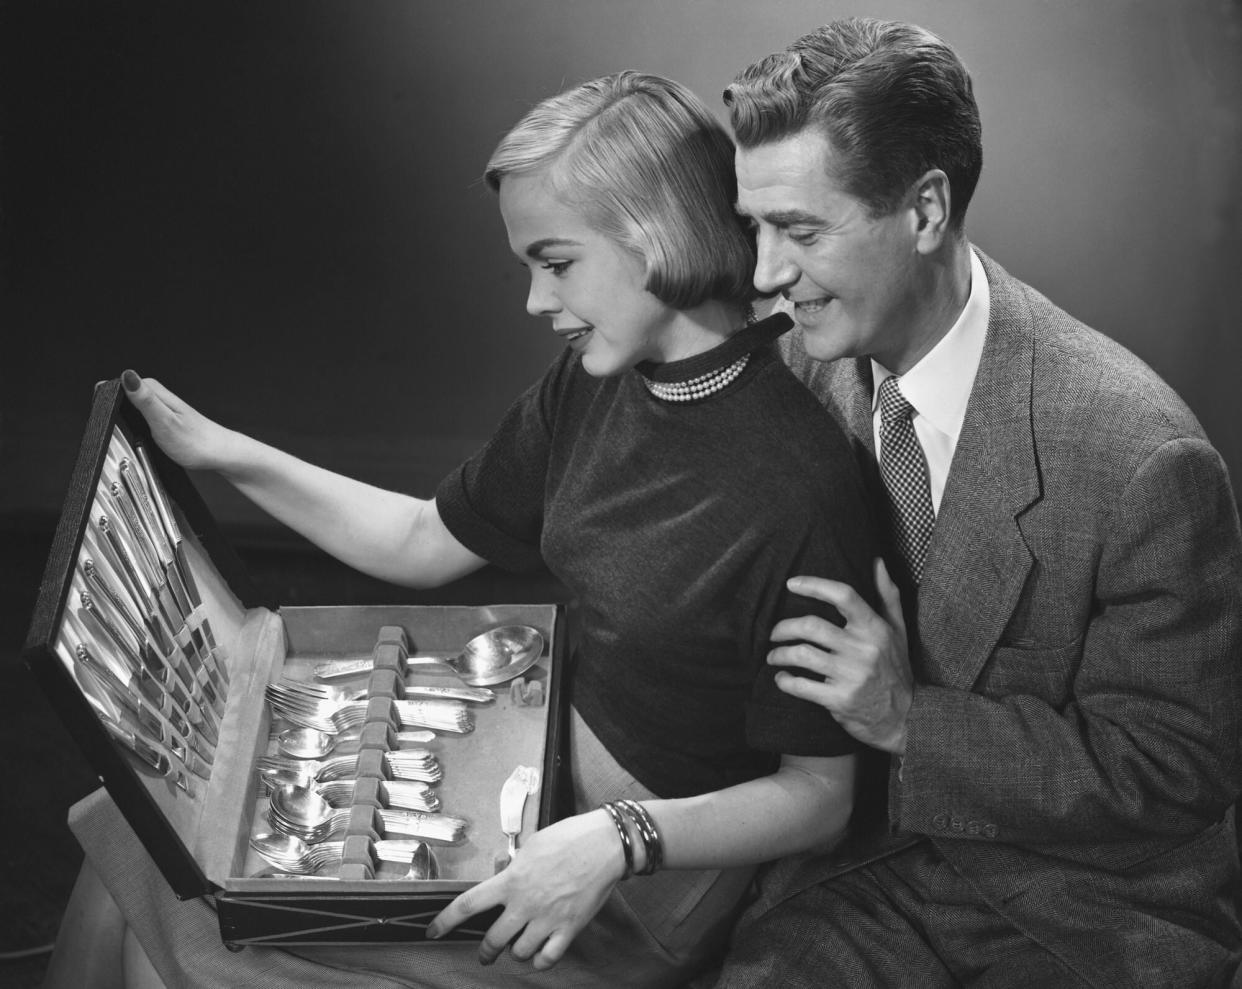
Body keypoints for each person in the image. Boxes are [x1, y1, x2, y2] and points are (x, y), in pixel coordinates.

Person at [50, 71, 878, 988]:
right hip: (530, 760)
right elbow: (424, 539)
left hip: (642, 878)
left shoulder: (798, 483)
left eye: (555, 262)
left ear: (656, 239)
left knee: (179, 938)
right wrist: (225, 452)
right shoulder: (595, 384)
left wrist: (619, 837)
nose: (533, 299)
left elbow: (818, 797)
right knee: (127, 830)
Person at [709, 17, 1242, 988]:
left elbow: (1176, 769)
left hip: (1085, 911)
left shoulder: (1143, 456)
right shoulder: (794, 367)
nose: (766, 276)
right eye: (756, 228)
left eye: (799, 230)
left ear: (923, 211)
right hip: (858, 878)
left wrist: (912, 720)